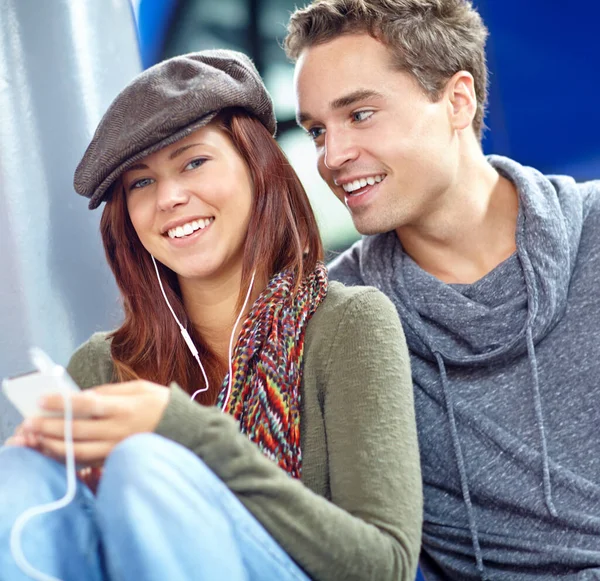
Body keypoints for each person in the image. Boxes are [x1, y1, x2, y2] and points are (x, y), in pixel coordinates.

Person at [0, 50, 422, 581]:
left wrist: (186, 432)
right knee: (17, 473)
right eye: (141, 183)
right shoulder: (103, 366)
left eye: (193, 162)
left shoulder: (348, 324)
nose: (170, 198)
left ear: (257, 168)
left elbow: (385, 566)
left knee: (144, 464)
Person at [285, 1, 600, 580]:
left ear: (457, 101)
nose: (332, 157)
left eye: (359, 114)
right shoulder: (337, 318)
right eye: (316, 131)